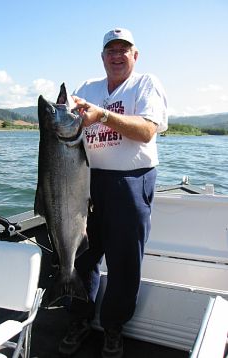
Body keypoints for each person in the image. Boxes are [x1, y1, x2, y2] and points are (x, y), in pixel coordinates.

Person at [59, 27, 168, 358]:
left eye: (125, 50)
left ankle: (114, 328)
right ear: (102, 56)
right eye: (111, 50)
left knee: (124, 261)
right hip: (85, 183)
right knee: (82, 255)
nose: (117, 56)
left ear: (135, 55)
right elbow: (66, 124)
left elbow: (147, 131)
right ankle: (79, 319)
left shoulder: (146, 84)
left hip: (130, 182)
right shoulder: (86, 88)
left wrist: (102, 115)